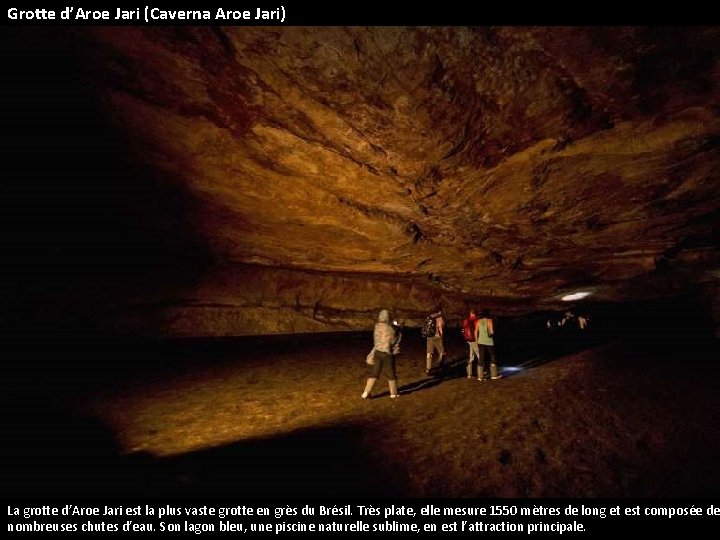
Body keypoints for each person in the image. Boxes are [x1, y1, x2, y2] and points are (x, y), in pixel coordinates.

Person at [361, 309, 401, 399]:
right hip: (387, 353)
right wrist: (397, 330)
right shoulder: (390, 328)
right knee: (391, 373)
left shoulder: (376, 326)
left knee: (374, 373)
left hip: (377, 352)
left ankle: (366, 392)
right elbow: (393, 341)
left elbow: (376, 340)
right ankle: (393, 393)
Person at [477, 309, 500, 380]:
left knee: (481, 357)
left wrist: (477, 340)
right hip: (489, 341)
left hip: (480, 341)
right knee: (492, 356)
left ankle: (480, 376)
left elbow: (475, 331)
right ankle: (494, 375)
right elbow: (491, 331)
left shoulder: (478, 321)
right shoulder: (490, 320)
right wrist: (492, 333)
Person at [425, 306, 445, 374]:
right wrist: (441, 336)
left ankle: (428, 368)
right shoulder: (439, 317)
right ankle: (439, 365)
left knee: (429, 352)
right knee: (442, 352)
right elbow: (440, 328)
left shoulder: (430, 316)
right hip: (437, 337)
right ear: (439, 311)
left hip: (429, 337)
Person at [463, 309, 480, 379]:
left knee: (471, 356)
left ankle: (469, 374)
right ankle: (480, 373)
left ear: (470, 314)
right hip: (475, 340)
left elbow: (463, 329)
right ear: (475, 314)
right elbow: (478, 330)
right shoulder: (477, 320)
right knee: (479, 355)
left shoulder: (466, 320)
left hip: (468, 340)